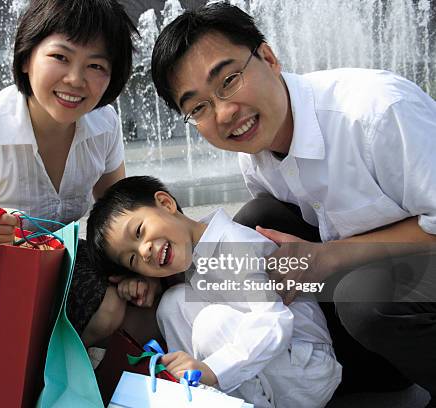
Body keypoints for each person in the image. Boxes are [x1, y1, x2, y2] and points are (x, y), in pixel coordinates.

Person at [150, 2, 436, 404]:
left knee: (367, 300)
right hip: (381, 289)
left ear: (268, 57)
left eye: (229, 80)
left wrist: (330, 257)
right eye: (198, 107)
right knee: (255, 222)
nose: (225, 113)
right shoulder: (255, 158)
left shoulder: (377, 113)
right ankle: (352, 378)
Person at [0, 0, 138, 347]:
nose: (75, 80)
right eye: (61, 57)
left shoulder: (104, 123)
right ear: (26, 58)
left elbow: (119, 211)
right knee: (106, 311)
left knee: (143, 296)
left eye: (95, 65)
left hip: (62, 262)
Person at [86, 176, 342, 408]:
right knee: (173, 304)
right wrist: (140, 281)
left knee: (211, 323)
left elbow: (275, 322)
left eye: (139, 231)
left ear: (165, 203)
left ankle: (217, 388)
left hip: (306, 369)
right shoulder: (195, 251)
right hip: (273, 368)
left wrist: (213, 369)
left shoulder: (234, 246)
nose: (144, 251)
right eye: (132, 259)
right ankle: (198, 397)